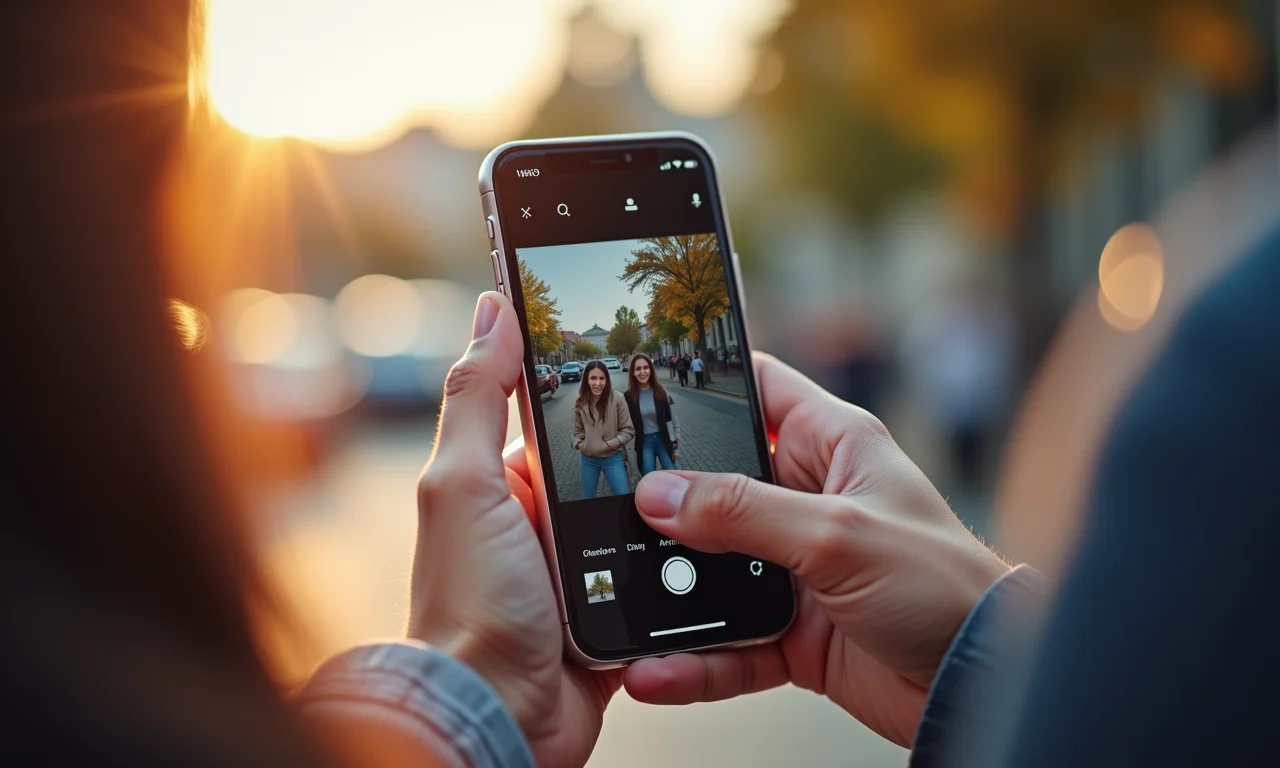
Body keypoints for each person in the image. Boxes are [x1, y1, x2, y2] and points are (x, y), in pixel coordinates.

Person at [572, 360, 635, 498]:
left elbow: (628, 430)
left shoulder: (618, 398)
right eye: (593, 378)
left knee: (623, 496)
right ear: (586, 380)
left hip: (613, 458)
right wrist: (581, 445)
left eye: (601, 378)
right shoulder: (581, 402)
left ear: (607, 379)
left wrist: (610, 445)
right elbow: (577, 432)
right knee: (588, 500)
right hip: (587, 460)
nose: (598, 383)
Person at [625, 354, 681, 477]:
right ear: (633, 373)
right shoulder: (628, 397)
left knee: (673, 475)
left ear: (650, 369)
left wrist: (676, 438)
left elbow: (672, 418)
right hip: (644, 442)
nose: (642, 372)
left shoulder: (661, 392)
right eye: (638, 369)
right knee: (648, 477)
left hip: (662, 439)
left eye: (646, 367)